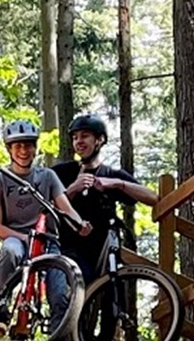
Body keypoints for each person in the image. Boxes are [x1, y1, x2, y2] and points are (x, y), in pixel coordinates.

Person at [0, 118, 91, 324]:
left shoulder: (47, 177)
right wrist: (24, 237)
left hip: (47, 240)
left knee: (60, 292)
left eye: (28, 145)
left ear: (35, 148)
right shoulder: (0, 181)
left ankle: (57, 340)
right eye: (17, 146)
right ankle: (1, 304)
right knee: (10, 251)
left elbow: (65, 207)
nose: (23, 151)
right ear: (9, 149)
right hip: (16, 237)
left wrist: (80, 224)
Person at [52, 114, 158, 284]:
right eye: (75, 137)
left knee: (114, 291)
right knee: (77, 289)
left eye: (85, 136)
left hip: (104, 249)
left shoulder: (111, 175)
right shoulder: (61, 173)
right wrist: (72, 189)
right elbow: (44, 208)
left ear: (99, 140)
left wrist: (118, 184)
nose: (79, 141)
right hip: (69, 249)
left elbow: (153, 198)